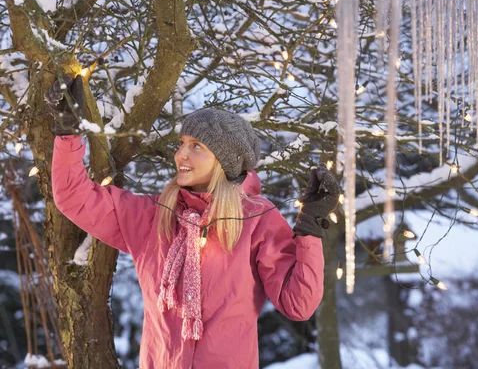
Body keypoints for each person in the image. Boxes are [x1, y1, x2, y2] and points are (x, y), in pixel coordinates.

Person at [46, 74, 340, 369]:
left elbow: (298, 304)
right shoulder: (153, 215)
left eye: (196, 146)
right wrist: (68, 134)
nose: (181, 154)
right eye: (182, 143)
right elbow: (74, 197)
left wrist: (309, 230)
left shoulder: (257, 220)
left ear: (224, 161)